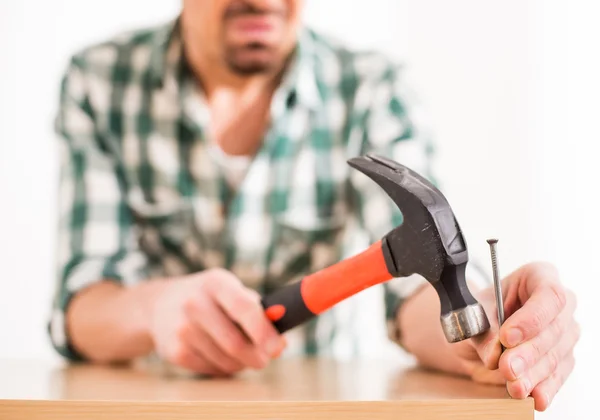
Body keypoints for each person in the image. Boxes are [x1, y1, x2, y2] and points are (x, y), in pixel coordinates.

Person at [48, 0, 579, 412]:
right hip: (152, 408)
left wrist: (486, 329)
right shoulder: (101, 82)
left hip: (324, 410)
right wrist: (152, 310)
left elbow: (419, 302)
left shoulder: (372, 88)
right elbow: (80, 309)